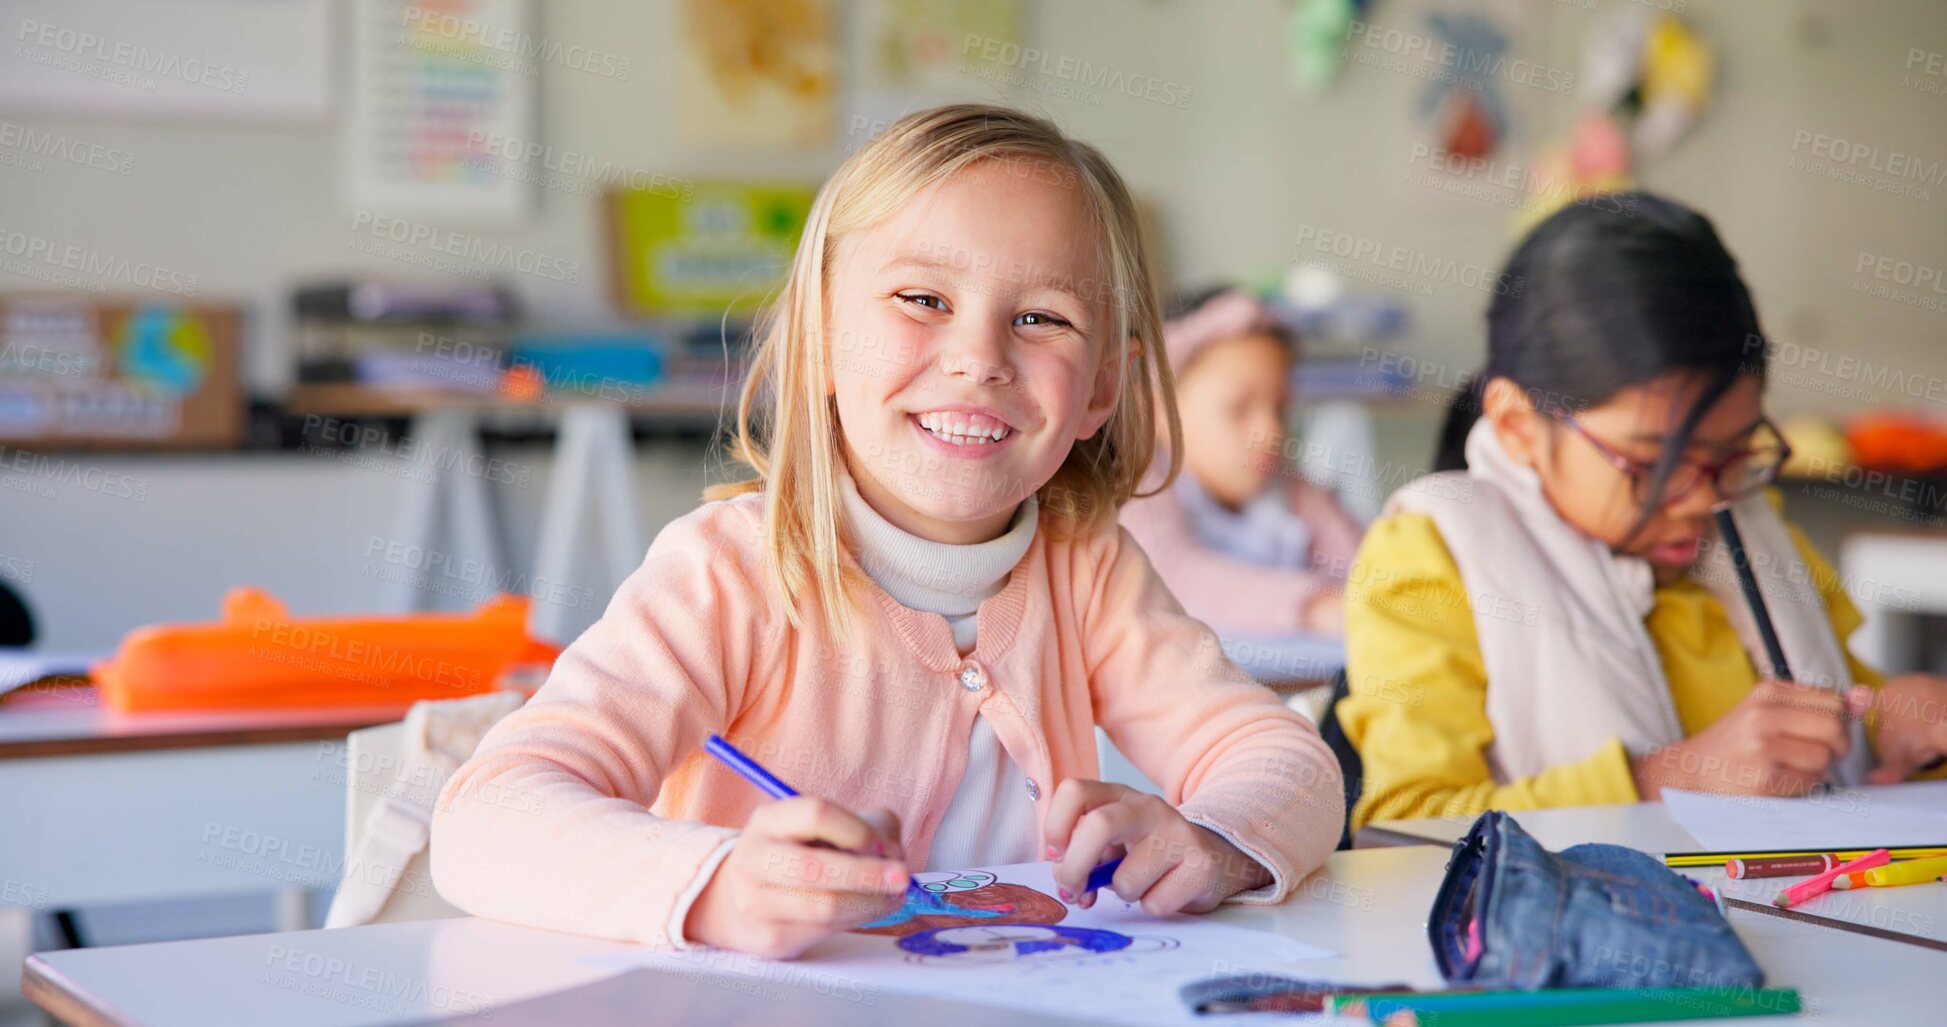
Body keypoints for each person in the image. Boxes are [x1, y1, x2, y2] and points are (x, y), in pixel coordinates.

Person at [431, 105, 1343, 958]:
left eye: (1040, 319)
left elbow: (1288, 762)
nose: (979, 357)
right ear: (822, 335)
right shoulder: (729, 571)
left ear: (1103, 387)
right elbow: (488, 816)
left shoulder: (1086, 565)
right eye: (920, 299)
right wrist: (713, 884)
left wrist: (1215, 841)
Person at [1338, 193, 1947, 830]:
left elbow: (1848, 718)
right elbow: (1402, 830)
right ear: (1519, 426)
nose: (1703, 498)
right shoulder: (1431, 557)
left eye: (1734, 453)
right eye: (1652, 465)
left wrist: (1903, 720)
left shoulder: (1753, 529)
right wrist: (1668, 780)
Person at [1119, 288, 1362, 636]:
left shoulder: (1292, 491)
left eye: (1280, 408)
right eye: (1238, 408)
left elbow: (1366, 565)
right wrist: (1316, 606)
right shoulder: (1140, 489)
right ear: (1156, 410)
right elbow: (1172, 577)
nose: (1270, 431)